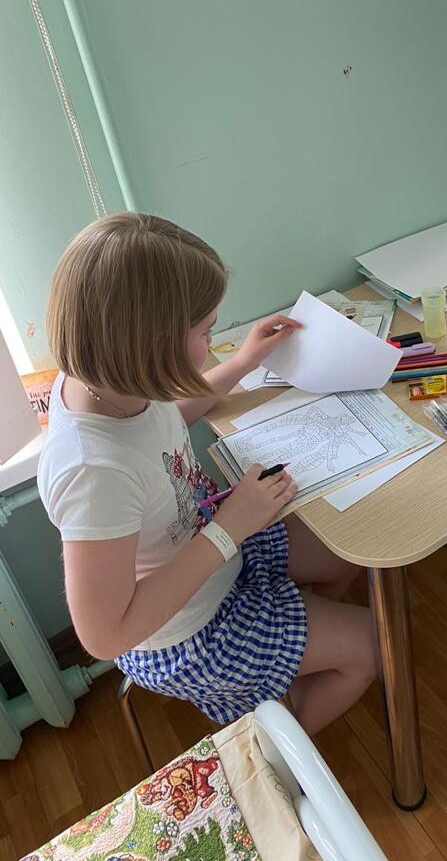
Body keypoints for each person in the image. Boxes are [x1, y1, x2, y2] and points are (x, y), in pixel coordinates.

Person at [38, 212, 377, 732]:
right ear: (149, 344)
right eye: (206, 331)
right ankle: (274, 745)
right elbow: (104, 637)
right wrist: (228, 529)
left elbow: (163, 422)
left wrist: (242, 363)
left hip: (218, 551)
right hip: (186, 632)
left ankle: (289, 651)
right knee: (374, 644)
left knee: (350, 545)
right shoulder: (91, 471)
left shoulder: (109, 378)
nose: (212, 341)